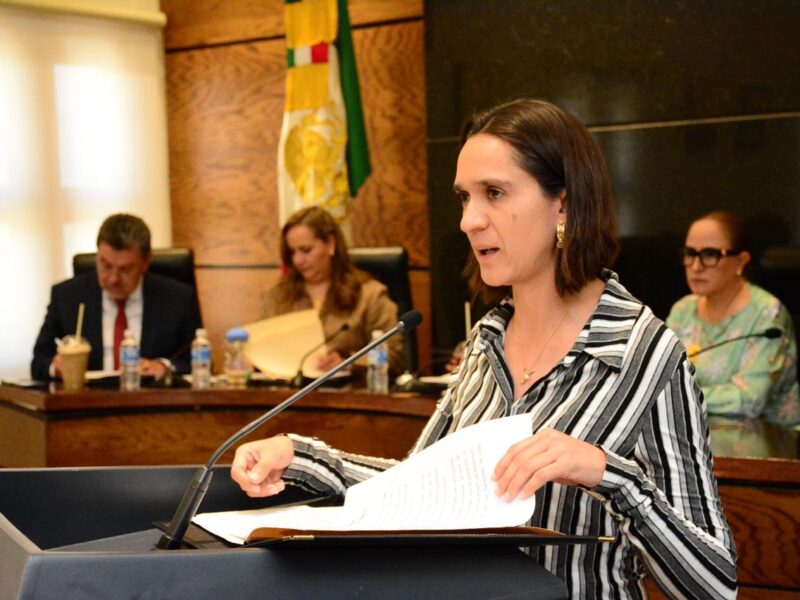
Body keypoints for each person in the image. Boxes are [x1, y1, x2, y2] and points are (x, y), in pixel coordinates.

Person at [231, 100, 737, 599]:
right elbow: (416, 488)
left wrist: (611, 476)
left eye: (494, 193)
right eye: (464, 198)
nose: (469, 221)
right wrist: (301, 457)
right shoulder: (488, 338)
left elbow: (714, 585)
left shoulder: (645, 354)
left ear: (564, 204)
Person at [666, 211, 800, 427]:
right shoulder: (683, 310)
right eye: (690, 253)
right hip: (698, 434)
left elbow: (750, 400)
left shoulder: (767, 314)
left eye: (710, 254)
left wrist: (678, 396)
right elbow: (661, 379)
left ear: (741, 261)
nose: (696, 266)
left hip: (770, 439)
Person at [31, 213, 201, 380]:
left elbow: (195, 360)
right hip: (87, 396)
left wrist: (164, 367)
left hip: (149, 396)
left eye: (125, 269)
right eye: (105, 265)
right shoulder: (67, 296)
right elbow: (39, 362)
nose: (113, 279)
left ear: (146, 262)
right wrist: (56, 367)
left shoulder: (178, 299)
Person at [260, 206, 403, 374]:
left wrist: (349, 361)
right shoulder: (277, 297)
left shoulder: (369, 295)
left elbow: (395, 355)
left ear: (330, 244)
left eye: (306, 250)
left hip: (351, 389)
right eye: (292, 252)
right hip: (291, 388)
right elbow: (262, 350)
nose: (297, 260)